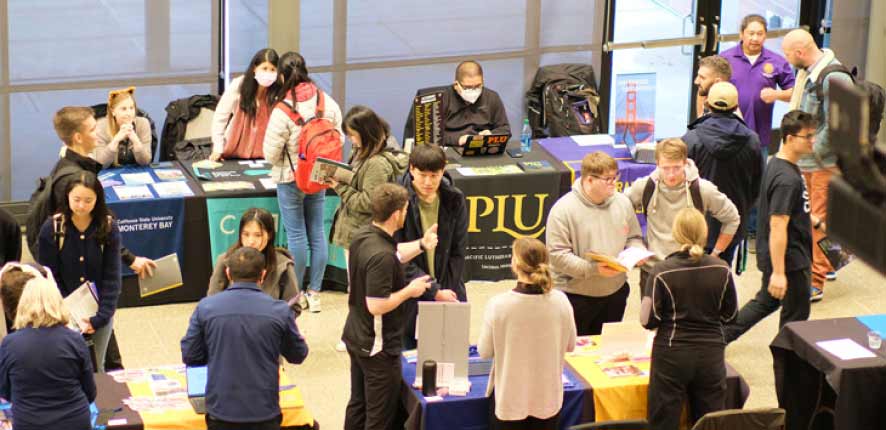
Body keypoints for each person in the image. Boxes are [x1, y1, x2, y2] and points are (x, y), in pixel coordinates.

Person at [182, 247, 308, 430]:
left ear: (227, 273)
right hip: (264, 414)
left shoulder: (206, 308)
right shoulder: (280, 312)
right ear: (263, 275)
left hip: (221, 413)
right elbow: (298, 355)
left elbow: (190, 355)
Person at [341, 183, 434, 430]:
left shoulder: (364, 236)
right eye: (404, 210)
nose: (406, 213)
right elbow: (376, 305)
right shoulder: (381, 255)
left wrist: (422, 244)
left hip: (357, 336)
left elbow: (395, 253)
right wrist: (410, 291)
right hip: (377, 348)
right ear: (396, 214)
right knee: (379, 417)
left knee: (358, 404)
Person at [641, 208, 738, 430]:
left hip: (671, 353)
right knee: (710, 422)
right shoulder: (722, 270)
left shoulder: (661, 271)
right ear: (705, 233)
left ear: (676, 235)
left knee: (663, 421)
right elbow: (731, 315)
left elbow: (647, 320)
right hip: (711, 354)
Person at [725, 111, 818, 342]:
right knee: (795, 322)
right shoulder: (787, 178)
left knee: (766, 302)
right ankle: (789, 366)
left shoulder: (779, 164)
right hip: (790, 261)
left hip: (785, 257)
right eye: (807, 136)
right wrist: (778, 272)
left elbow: (787, 208)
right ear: (788, 138)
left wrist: (812, 219)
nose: (812, 141)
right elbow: (778, 225)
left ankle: (719, 337)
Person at [264, 51, 342, 312]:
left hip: (290, 178)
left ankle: (295, 293)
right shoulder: (326, 101)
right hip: (319, 176)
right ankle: (316, 292)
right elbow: (339, 138)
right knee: (317, 232)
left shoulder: (283, 110)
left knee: (296, 235)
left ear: (283, 76)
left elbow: (271, 153)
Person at [783, 28, 853, 301]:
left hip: (823, 163)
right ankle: (833, 259)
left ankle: (815, 281)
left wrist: (807, 149)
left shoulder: (833, 78)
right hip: (810, 160)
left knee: (816, 220)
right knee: (816, 217)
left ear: (800, 52)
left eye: (788, 54)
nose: (788, 60)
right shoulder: (809, 73)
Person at [478, 237, 576, 430]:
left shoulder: (499, 305)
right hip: (547, 400)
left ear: (515, 264)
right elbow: (571, 345)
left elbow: (484, 352)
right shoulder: (561, 301)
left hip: (510, 401)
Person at [47, 107, 156, 279]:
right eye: (92, 129)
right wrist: (131, 259)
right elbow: (98, 225)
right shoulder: (76, 179)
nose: (98, 132)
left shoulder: (70, 164)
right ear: (78, 138)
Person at [546, 151, 645, 336]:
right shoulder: (563, 210)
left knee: (605, 353)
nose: (614, 183)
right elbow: (558, 256)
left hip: (615, 292)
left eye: (615, 177)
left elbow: (634, 237)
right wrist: (593, 269)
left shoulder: (622, 202)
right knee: (574, 355)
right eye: (607, 179)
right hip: (575, 295)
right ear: (589, 180)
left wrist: (637, 252)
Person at [624, 138, 740, 294]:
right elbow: (619, 211)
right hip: (652, 270)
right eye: (666, 168)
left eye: (677, 168)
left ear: (685, 163)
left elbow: (732, 218)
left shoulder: (703, 189)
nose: (671, 175)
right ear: (657, 163)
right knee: (649, 318)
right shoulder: (645, 186)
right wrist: (634, 243)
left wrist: (715, 254)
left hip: (690, 271)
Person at [36, 171, 121, 372]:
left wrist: (100, 318)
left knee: (96, 367)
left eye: (88, 200)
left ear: (97, 200)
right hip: (62, 313)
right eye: (76, 199)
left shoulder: (108, 227)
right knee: (65, 367)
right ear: (67, 197)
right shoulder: (53, 228)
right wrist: (67, 313)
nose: (81, 205)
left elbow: (112, 278)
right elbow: (49, 277)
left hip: (99, 312)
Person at [0, 273, 96, 430]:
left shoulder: (10, 344)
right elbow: (90, 393)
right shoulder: (74, 340)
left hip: (30, 423)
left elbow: (5, 390)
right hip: (74, 422)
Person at [395, 144, 468, 349]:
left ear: (443, 171)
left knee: (449, 357)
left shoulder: (454, 199)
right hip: (410, 294)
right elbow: (398, 255)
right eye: (422, 175)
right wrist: (433, 291)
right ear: (411, 169)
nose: (428, 182)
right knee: (410, 363)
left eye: (434, 175)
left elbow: (458, 251)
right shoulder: (398, 200)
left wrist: (445, 290)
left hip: (449, 289)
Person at [684, 82, 763, 268]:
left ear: (707, 104)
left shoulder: (690, 139)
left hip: (697, 224)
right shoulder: (752, 141)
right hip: (733, 223)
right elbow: (757, 186)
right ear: (736, 107)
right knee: (722, 271)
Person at [330, 105, 408, 269]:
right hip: (357, 230)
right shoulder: (362, 149)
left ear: (365, 132)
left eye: (352, 135)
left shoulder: (376, 164)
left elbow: (368, 203)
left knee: (360, 286)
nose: (351, 139)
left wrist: (339, 187)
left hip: (364, 233)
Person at [722, 14, 795, 156]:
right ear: (741, 34)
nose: (755, 38)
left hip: (759, 139)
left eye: (760, 34)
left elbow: (796, 93)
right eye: (751, 33)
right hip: (727, 136)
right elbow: (706, 90)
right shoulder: (725, 58)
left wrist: (777, 95)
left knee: (758, 178)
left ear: (765, 36)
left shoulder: (777, 61)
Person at [208, 208, 299, 302]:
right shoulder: (225, 260)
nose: (251, 241)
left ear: (270, 235)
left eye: (258, 235)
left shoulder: (283, 264)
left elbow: (293, 306)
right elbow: (212, 301)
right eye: (246, 234)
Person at [210, 48, 281, 161]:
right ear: (254, 68)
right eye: (264, 68)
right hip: (234, 150)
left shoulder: (278, 91)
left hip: (265, 154)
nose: (268, 73)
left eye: (272, 70)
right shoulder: (239, 84)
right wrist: (218, 148)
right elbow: (220, 117)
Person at [440, 60, 511, 147]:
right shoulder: (443, 99)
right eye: (468, 87)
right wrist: (458, 139)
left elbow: (505, 129)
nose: (473, 91)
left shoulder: (492, 97)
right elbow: (429, 137)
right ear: (456, 85)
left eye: (478, 86)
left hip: (482, 147)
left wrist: (490, 134)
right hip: (453, 147)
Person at [94, 86, 153, 167]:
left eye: (131, 108)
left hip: (135, 172)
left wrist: (135, 140)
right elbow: (101, 164)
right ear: (113, 111)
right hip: (108, 173)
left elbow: (145, 162)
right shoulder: (101, 126)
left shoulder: (143, 123)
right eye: (123, 109)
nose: (129, 113)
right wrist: (116, 140)